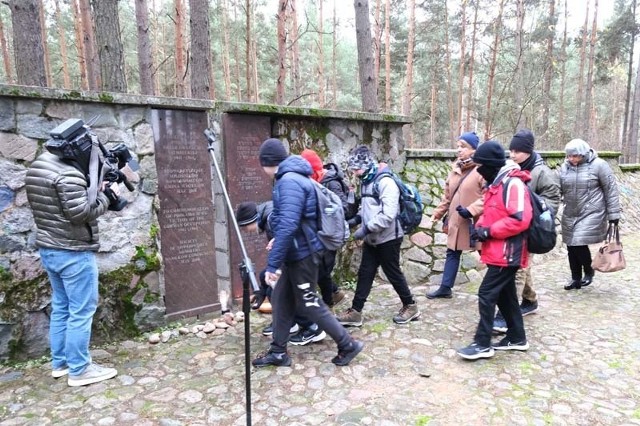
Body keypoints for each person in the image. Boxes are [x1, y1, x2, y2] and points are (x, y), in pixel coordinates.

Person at [252, 138, 364, 367]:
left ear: (267, 162)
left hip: (303, 254)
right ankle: (278, 352)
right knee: (282, 300)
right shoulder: (291, 178)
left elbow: (288, 224)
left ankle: (347, 344)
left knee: (309, 302)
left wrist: (272, 265)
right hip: (296, 253)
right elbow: (293, 222)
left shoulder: (288, 181)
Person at [25, 137, 119, 386]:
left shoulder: (40, 164)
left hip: (49, 248)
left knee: (62, 306)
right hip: (73, 251)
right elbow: (81, 213)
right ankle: (79, 370)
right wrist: (107, 198)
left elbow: (60, 204)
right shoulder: (70, 175)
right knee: (81, 310)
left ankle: (61, 363)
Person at [457, 140, 532, 360]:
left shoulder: (513, 184)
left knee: (487, 293)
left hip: (508, 252)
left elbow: (520, 219)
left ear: (491, 164)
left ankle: (482, 343)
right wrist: (478, 228)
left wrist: (488, 232)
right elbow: (492, 212)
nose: (479, 170)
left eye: (481, 165)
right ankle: (517, 338)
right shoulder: (496, 183)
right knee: (505, 295)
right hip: (499, 250)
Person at [336, 145, 420, 327]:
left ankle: (411, 306)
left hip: (389, 237)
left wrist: (365, 229)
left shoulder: (385, 182)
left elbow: (388, 215)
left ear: (367, 165)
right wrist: (355, 220)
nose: (355, 173)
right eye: (354, 169)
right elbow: (364, 209)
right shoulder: (366, 181)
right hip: (372, 238)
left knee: (393, 272)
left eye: (357, 169)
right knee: (365, 273)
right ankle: (356, 312)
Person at [492, 129, 561, 332]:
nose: (512, 154)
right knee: (523, 264)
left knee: (518, 268)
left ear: (528, 151)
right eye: (511, 150)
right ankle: (530, 301)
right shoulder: (509, 169)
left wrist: (533, 212)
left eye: (517, 151)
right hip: (513, 225)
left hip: (529, 227)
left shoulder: (542, 173)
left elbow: (552, 200)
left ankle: (505, 315)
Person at [235, 201, 320, 345]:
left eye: (245, 227)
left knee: (282, 292)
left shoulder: (271, 219)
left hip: (302, 259)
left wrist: (276, 269)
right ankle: (291, 322)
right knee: (266, 278)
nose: (245, 231)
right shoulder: (268, 217)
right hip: (300, 257)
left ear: (251, 220)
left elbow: (286, 244)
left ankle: (312, 327)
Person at [428, 132, 484, 299]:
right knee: (452, 251)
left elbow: (488, 196)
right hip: (456, 219)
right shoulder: (455, 169)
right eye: (458, 146)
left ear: (474, 149)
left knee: (486, 253)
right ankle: (445, 288)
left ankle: (498, 290)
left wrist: (471, 210)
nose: (459, 150)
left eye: (463, 146)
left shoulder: (482, 170)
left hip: (475, 221)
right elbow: (447, 196)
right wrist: (437, 214)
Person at [559, 138, 621, 290]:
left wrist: (614, 213)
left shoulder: (599, 165)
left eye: (575, 156)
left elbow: (610, 190)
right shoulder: (564, 168)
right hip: (570, 212)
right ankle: (575, 278)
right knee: (571, 246)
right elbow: (558, 188)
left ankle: (588, 271)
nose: (571, 159)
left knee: (578, 243)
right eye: (569, 156)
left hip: (592, 212)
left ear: (583, 154)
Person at [299, 149, 347, 308]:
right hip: (320, 233)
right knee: (320, 270)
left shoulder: (331, 183)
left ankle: (328, 304)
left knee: (322, 271)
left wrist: (324, 213)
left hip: (330, 233)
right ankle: (335, 293)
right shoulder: (316, 181)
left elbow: (343, 208)